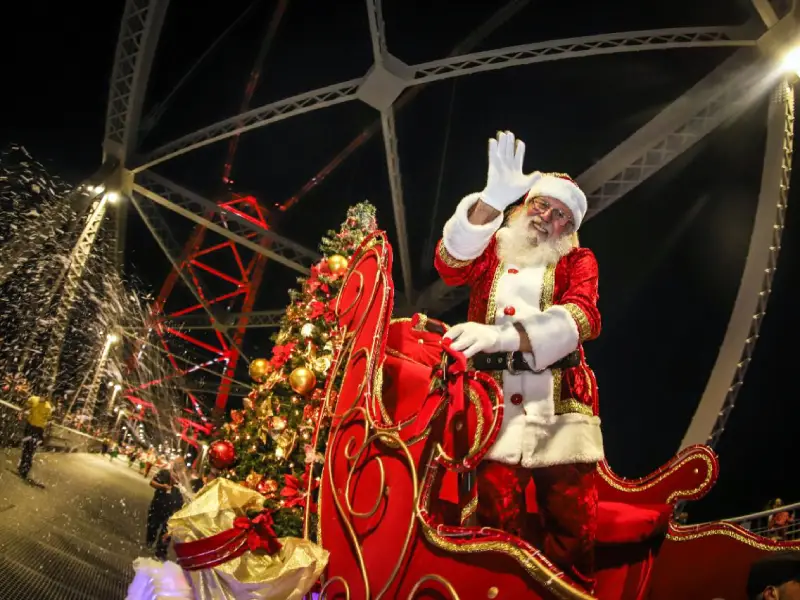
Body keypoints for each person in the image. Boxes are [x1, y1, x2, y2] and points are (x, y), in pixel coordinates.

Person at [435, 131, 602, 591]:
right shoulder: (491, 248)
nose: (547, 218)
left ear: (569, 229)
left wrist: (500, 336)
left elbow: (583, 316)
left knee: (572, 529)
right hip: (494, 408)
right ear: (524, 203)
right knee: (493, 529)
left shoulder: (577, 261)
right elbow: (449, 263)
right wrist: (488, 202)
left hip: (559, 405)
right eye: (542, 206)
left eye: (561, 216)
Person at [146, 457, 188, 561]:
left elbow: (184, 496)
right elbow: (152, 483)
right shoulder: (164, 473)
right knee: (153, 526)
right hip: (157, 506)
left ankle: (160, 551)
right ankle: (150, 541)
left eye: (181, 465)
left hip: (172, 511)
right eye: (178, 464)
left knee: (166, 531)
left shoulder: (182, 480)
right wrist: (162, 486)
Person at [17, 393, 54, 479]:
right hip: (29, 427)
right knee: (26, 447)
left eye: (45, 396)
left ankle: (25, 470)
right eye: (43, 394)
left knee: (30, 449)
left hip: (38, 430)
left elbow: (49, 421)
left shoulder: (48, 407)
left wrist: (46, 433)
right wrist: (21, 413)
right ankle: (22, 466)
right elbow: (26, 406)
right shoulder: (33, 399)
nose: (43, 397)